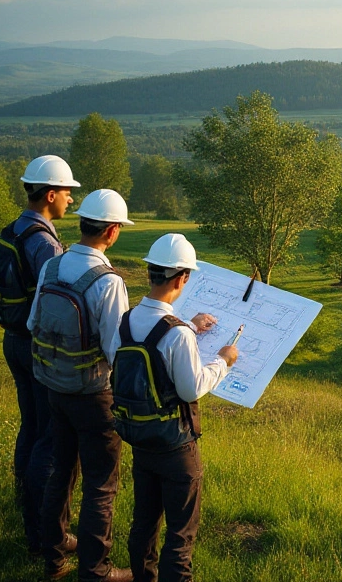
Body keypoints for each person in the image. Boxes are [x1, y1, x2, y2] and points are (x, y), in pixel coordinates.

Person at [107, 233, 236, 582]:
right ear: (182, 278)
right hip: (177, 446)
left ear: (151, 272)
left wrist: (192, 327)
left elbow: (124, 358)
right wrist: (223, 361)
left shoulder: (124, 321)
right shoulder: (177, 334)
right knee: (180, 535)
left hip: (141, 438)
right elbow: (191, 387)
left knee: (144, 523)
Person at [28, 189, 135, 582]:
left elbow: (32, 325)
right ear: (111, 230)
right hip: (93, 395)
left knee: (61, 472)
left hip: (53, 388)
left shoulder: (52, 268)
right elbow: (116, 351)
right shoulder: (107, 282)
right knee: (101, 485)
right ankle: (96, 571)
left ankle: (53, 557)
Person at [0, 154, 78, 558]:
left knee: (31, 428)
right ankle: (44, 535)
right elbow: (61, 295)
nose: (72, 201)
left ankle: (27, 512)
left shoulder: (15, 230)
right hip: (36, 345)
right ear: (51, 194)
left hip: (13, 340)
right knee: (49, 439)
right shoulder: (43, 242)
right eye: (68, 193)